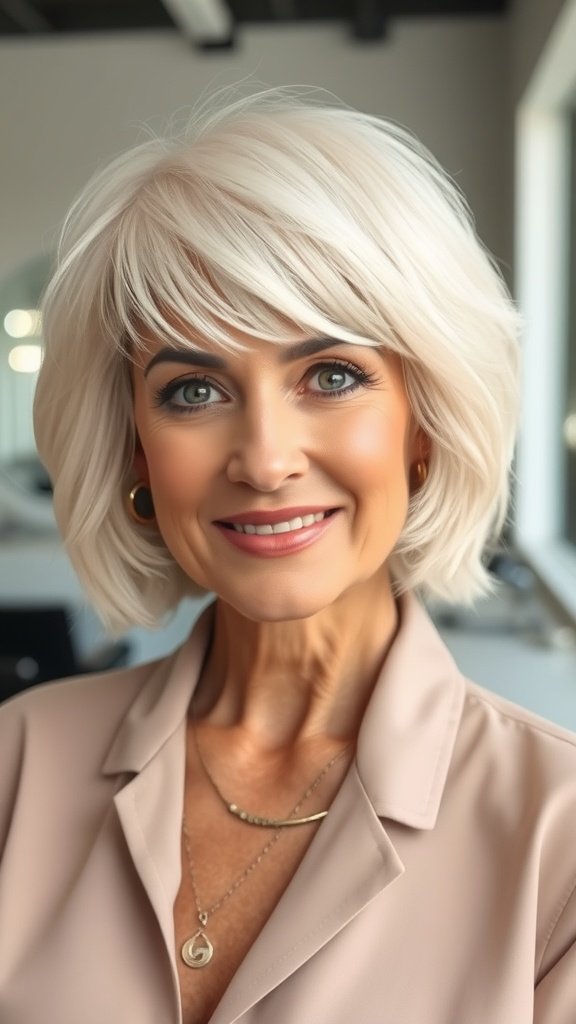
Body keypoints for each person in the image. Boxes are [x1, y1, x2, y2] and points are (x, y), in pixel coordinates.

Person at [0, 87, 574, 1024]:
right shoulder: (16, 765)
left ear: (423, 424)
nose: (265, 459)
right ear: (136, 446)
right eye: (192, 390)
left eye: (333, 376)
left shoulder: (559, 837)